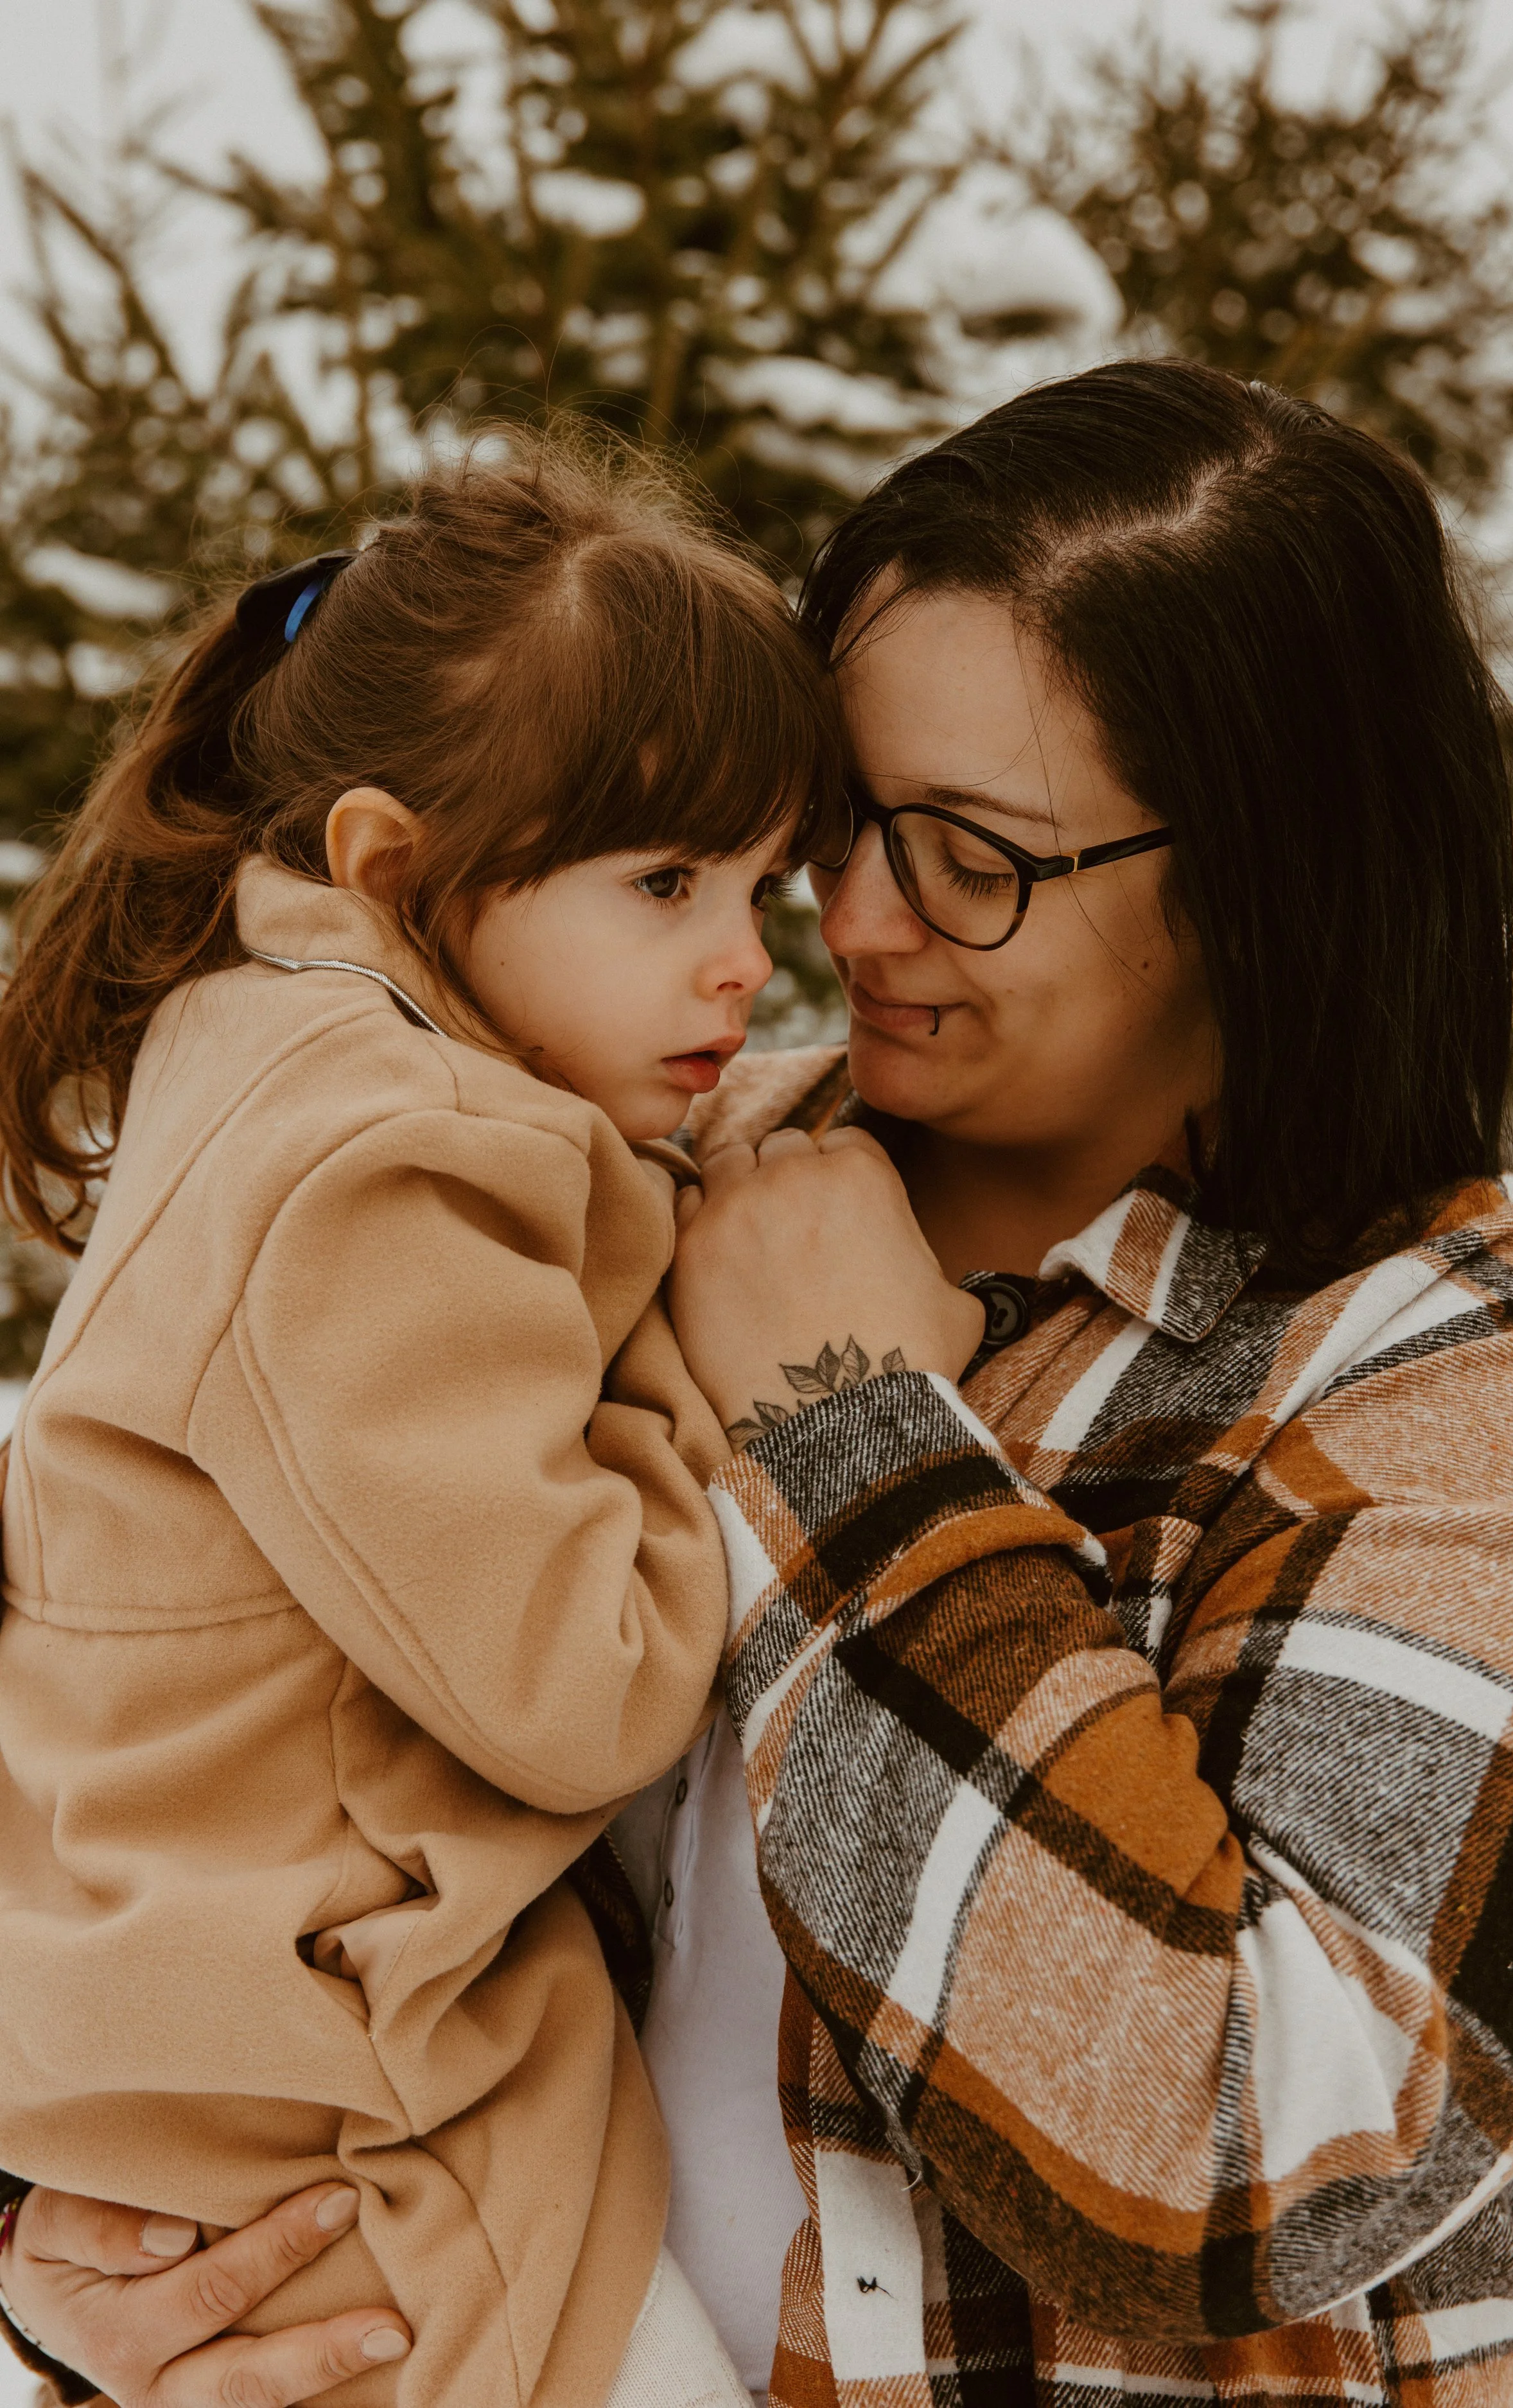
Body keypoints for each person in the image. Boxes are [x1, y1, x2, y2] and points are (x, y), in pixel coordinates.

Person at [8, 362, 1513, 2408]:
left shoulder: (1463, 1360)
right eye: (837, 825)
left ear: (1266, 876)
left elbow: (1253, 2156)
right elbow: (143, 1670)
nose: (841, 923)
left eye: (965, 853)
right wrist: (96, 2237)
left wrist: (859, 1433)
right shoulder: (610, 1166)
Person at [0, 429, 977, 2408]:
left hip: (218, 2073)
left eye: (760, 880)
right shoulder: (385, 1178)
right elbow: (586, 1679)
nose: (741, 953)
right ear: (393, 864)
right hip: (352, 2131)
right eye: (664, 879)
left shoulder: (284, 1080)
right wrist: (760, 1373)